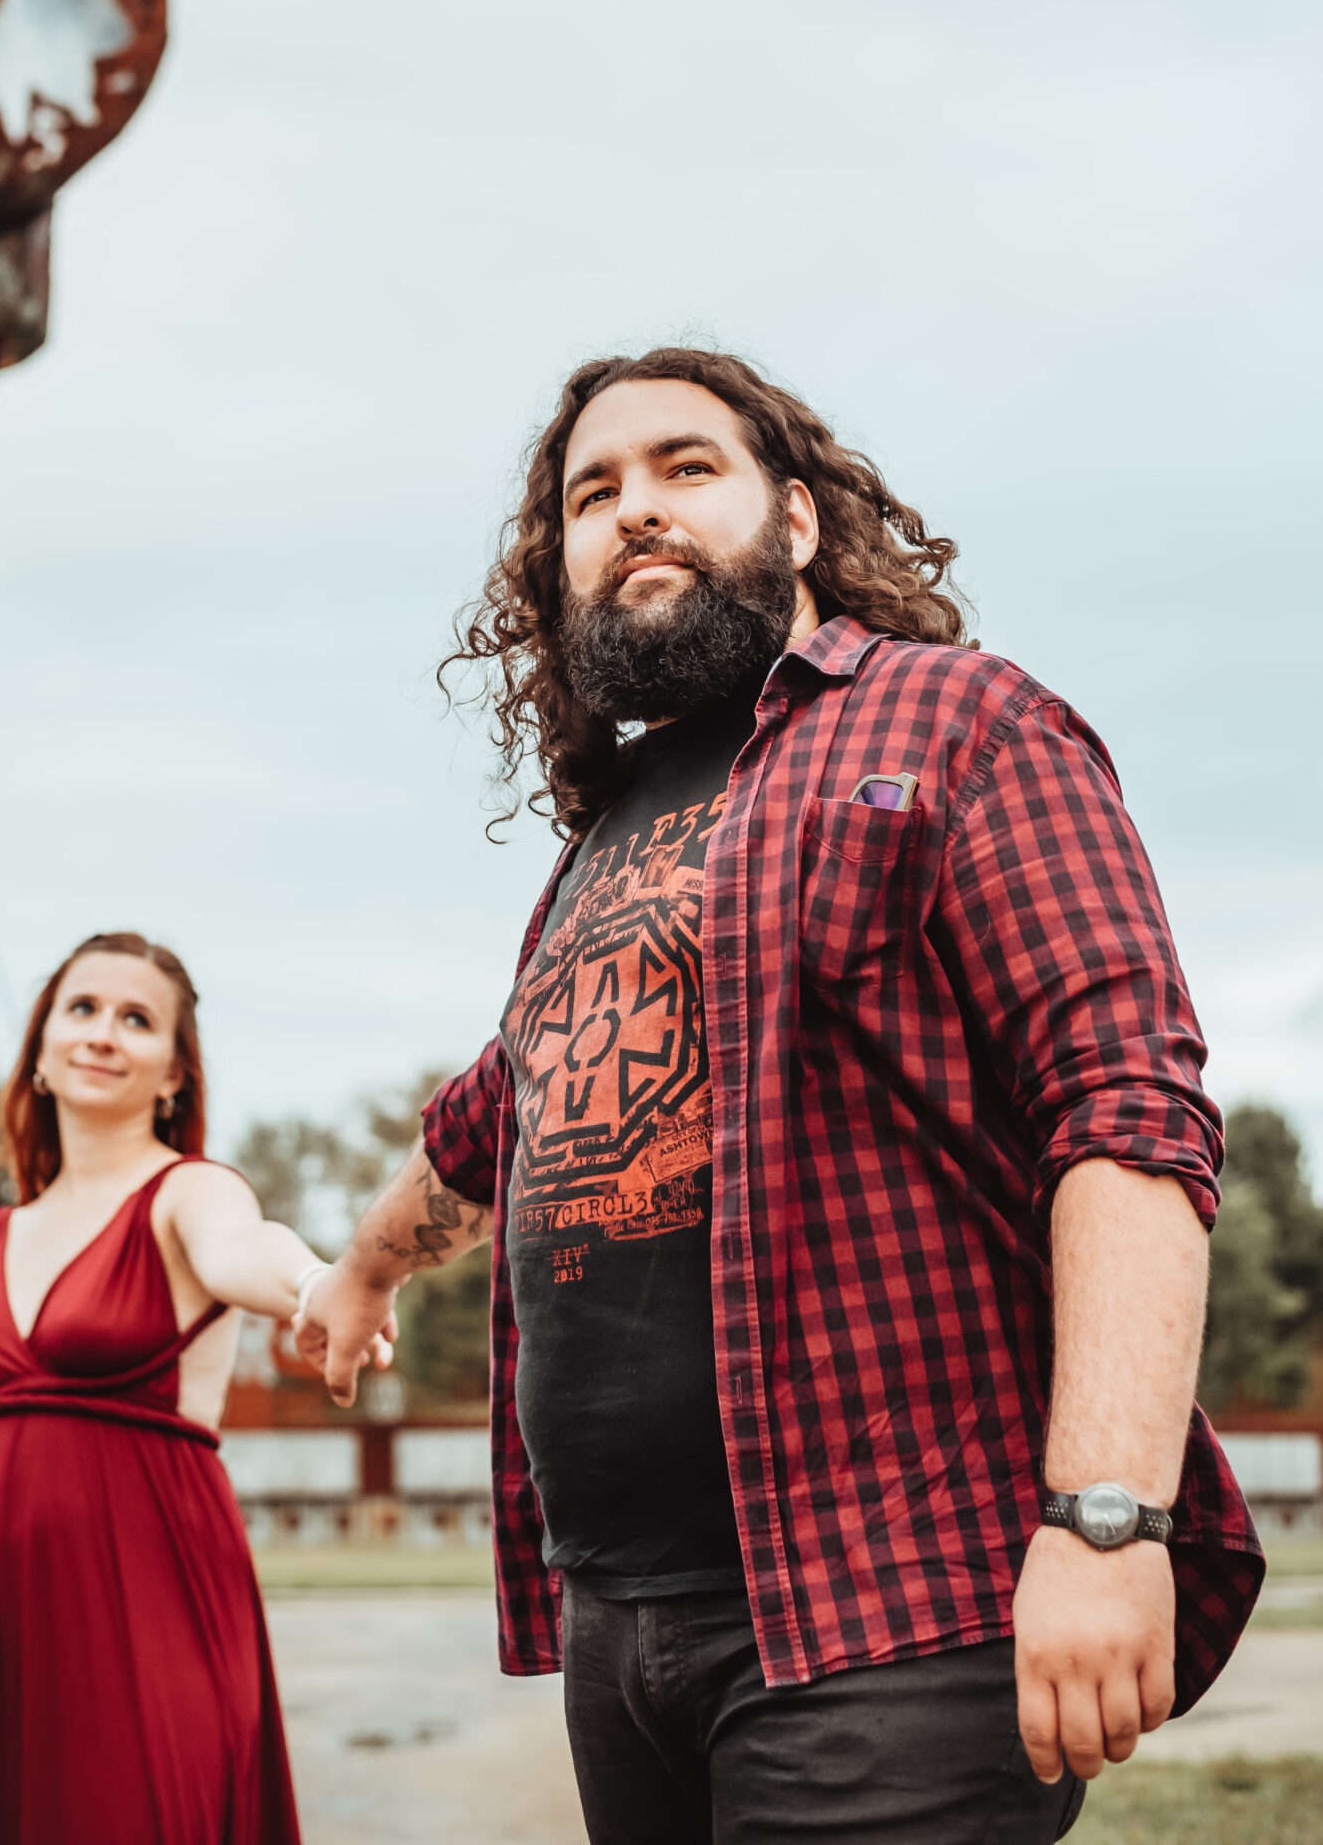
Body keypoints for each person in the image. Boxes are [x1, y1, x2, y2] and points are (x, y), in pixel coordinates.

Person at [296, 347, 1263, 1845]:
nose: (634, 509)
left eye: (686, 468)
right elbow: (501, 1107)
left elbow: (1121, 1111)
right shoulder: (605, 837)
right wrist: (363, 1265)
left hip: (887, 1613)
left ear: (798, 523)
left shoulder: (961, 724)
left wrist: (1105, 1516)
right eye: (590, 494)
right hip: (619, 1620)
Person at [0, 929, 320, 1845]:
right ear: (40, 1049)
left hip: (156, 1603)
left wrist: (314, 1284)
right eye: (83, 1008)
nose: (103, 1033)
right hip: (10, 1623)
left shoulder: (190, 1193)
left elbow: (245, 1249)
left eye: (137, 1019)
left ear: (174, 1075)